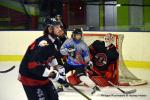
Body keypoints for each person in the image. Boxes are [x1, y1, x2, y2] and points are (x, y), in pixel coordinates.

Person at [18, 18, 67, 100]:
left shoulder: (56, 41)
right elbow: (32, 65)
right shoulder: (43, 43)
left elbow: (51, 56)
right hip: (30, 78)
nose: (60, 29)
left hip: (42, 76)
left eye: (60, 27)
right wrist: (53, 74)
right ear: (50, 29)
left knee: (54, 97)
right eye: (57, 27)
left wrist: (57, 67)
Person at [60, 28, 100, 94]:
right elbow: (61, 51)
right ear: (73, 35)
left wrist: (87, 62)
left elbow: (86, 56)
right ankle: (61, 85)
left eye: (79, 35)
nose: (78, 36)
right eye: (77, 35)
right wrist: (68, 51)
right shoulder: (68, 41)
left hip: (79, 65)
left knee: (82, 77)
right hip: (69, 62)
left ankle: (95, 87)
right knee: (59, 72)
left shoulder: (83, 45)